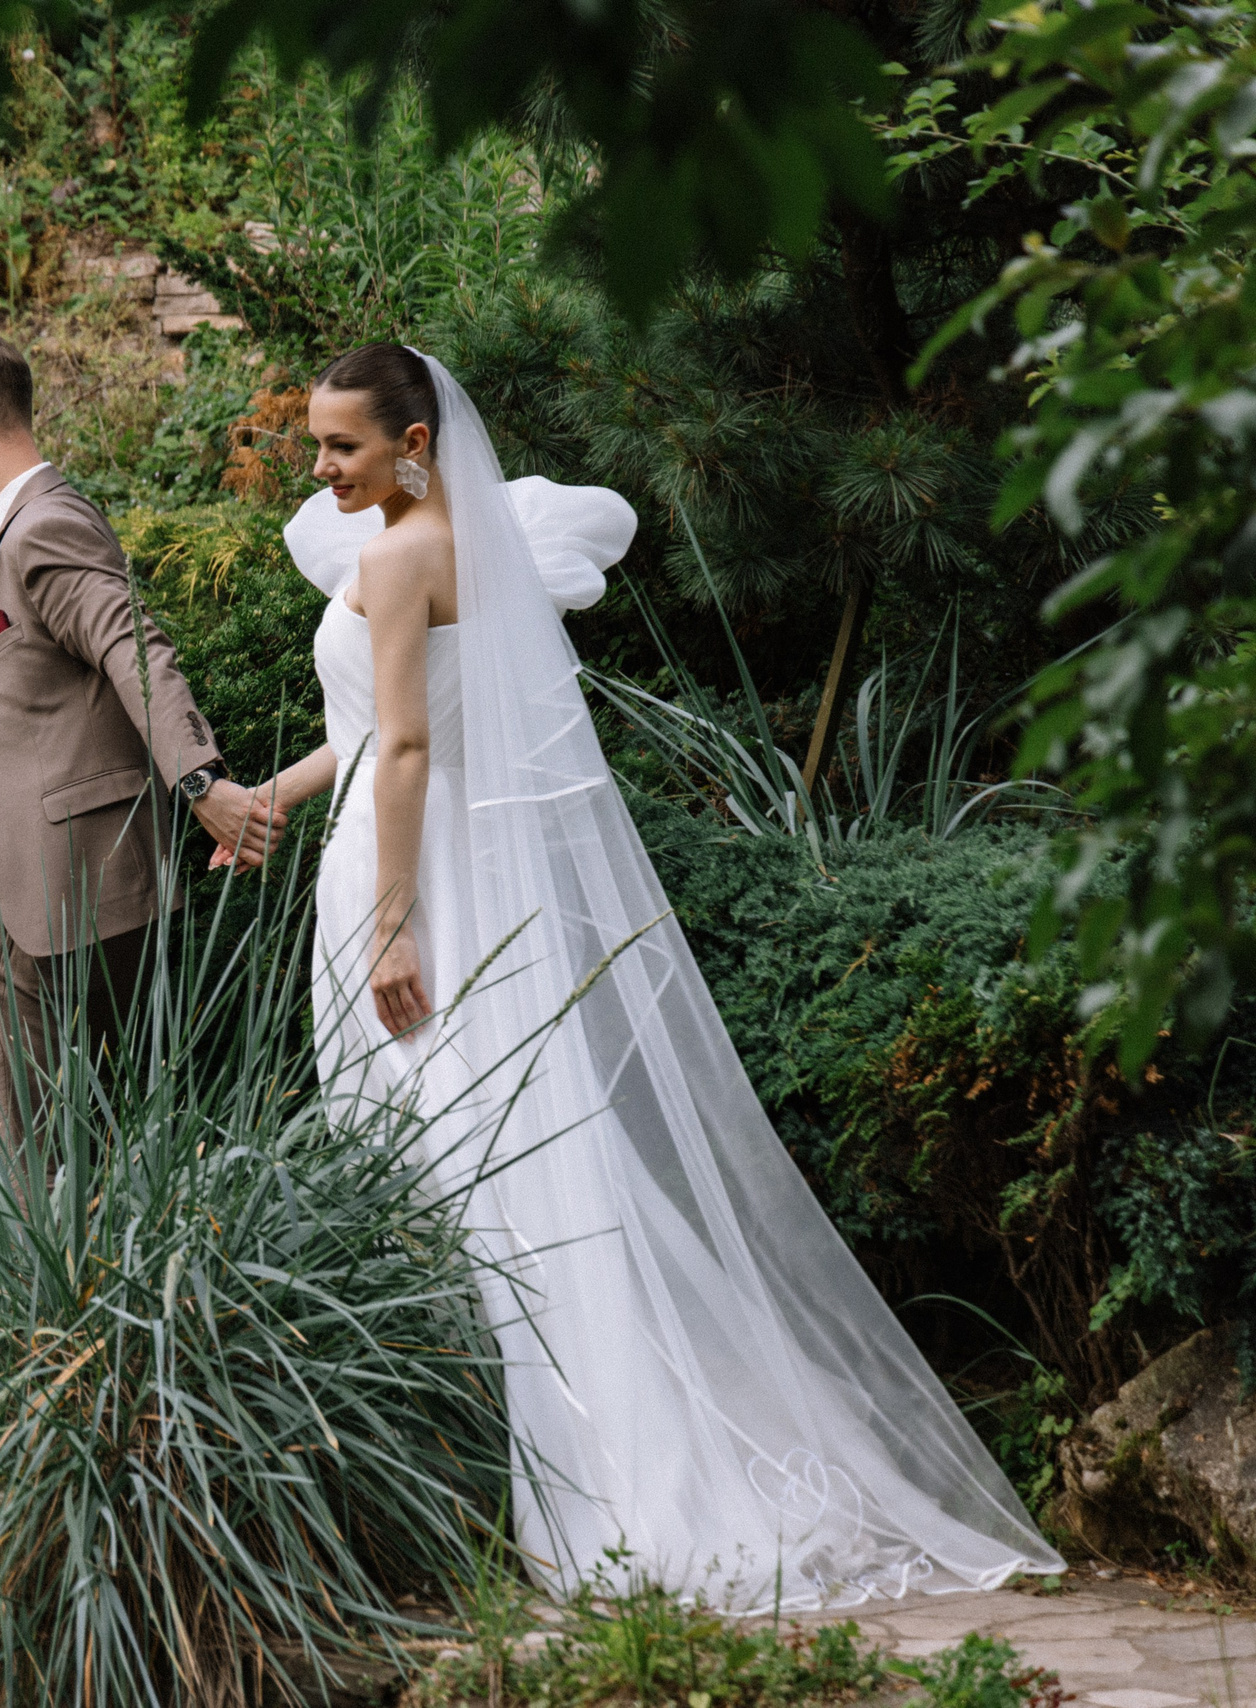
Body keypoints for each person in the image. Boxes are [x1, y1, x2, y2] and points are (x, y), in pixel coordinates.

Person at [245, 342, 1063, 1609]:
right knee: (470, 1154)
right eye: (315, 445)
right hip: (420, 858)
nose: (319, 468)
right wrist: (277, 795)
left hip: (416, 883)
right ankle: (493, 1457)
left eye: (339, 446)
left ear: (413, 444)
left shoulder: (405, 555)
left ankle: (563, 1471)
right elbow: (378, 730)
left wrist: (393, 924)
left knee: (455, 1161)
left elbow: (406, 747)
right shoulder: (455, 545)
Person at [0, 329, 284, 1147]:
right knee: (106, 1153)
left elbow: (132, 645)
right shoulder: (23, 533)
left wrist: (199, 782)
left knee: (26, 1166)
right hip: (37, 888)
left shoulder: (44, 525)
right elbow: (18, 728)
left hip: (54, 902)